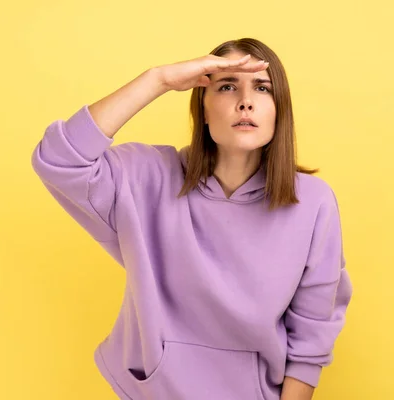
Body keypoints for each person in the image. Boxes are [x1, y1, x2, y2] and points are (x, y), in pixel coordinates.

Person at [31, 37, 353, 400]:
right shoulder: (148, 177)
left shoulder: (312, 202)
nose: (245, 101)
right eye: (227, 86)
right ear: (202, 106)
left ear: (280, 110)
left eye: (262, 88)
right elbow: (59, 159)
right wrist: (158, 80)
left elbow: (311, 336)